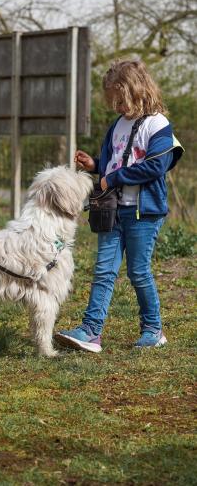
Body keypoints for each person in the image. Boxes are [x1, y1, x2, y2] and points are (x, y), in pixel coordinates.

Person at [55, 59, 184, 353]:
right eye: (113, 100)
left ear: (137, 91)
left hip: (144, 213)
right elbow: (115, 164)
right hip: (112, 211)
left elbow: (155, 165)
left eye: (120, 99)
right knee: (103, 271)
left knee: (139, 272)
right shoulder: (117, 126)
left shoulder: (158, 125)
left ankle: (153, 329)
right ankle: (90, 331)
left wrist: (112, 177)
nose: (117, 106)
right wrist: (96, 165)